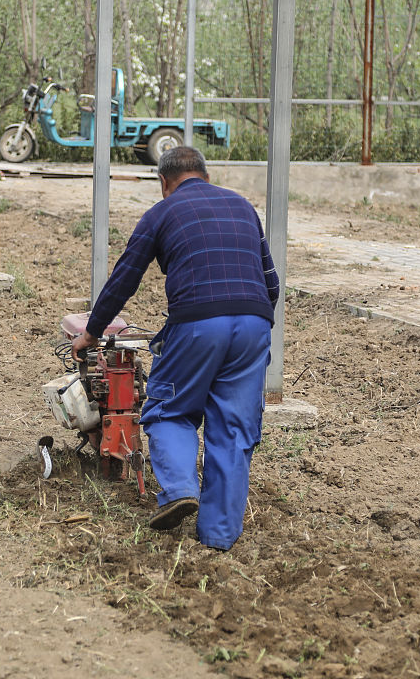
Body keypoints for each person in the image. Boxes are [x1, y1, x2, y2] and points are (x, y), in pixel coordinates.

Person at [71, 146, 279, 551]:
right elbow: (271, 283)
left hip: (199, 322)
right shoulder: (243, 207)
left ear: (164, 182)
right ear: (204, 173)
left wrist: (92, 332)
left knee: (169, 410)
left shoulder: (161, 213)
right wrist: (246, 330)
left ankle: (181, 489)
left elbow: (124, 278)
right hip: (255, 322)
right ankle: (218, 538)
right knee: (234, 429)